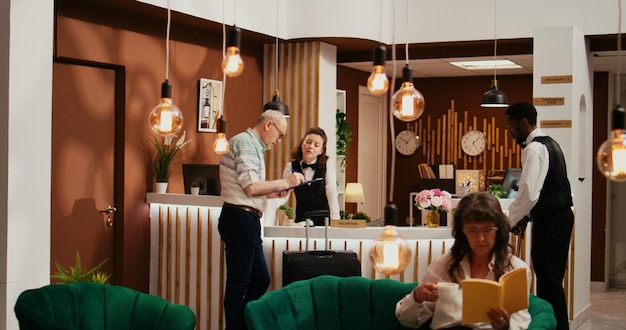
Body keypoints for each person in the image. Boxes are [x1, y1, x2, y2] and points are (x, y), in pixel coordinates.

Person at [218, 110, 305, 330]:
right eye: (280, 135)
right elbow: (251, 187)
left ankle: (242, 324)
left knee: (260, 279)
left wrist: (274, 193)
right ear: (268, 125)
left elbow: (252, 189)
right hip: (240, 219)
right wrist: (284, 181)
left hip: (246, 220)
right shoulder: (246, 143)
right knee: (239, 284)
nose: (278, 141)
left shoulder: (254, 146)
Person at [396, 192, 531, 330]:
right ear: (462, 232)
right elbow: (408, 321)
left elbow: (521, 323)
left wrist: (505, 326)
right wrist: (417, 296)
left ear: (498, 230)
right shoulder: (443, 265)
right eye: (472, 231)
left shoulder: (515, 269)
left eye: (487, 230)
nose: (480, 239)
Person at [505, 101, 574, 330]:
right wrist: (526, 217)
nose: (510, 131)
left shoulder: (533, 149)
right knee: (552, 280)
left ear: (524, 123)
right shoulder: (551, 143)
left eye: (511, 125)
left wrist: (507, 221)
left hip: (552, 221)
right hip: (559, 218)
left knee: (549, 282)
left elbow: (528, 194)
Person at [281, 127, 340, 225]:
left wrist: (336, 221)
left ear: (321, 151)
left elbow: (331, 192)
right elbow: (283, 195)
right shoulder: (290, 167)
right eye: (308, 142)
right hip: (302, 221)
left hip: (325, 221)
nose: (311, 146)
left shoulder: (327, 164)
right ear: (302, 144)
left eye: (316, 145)